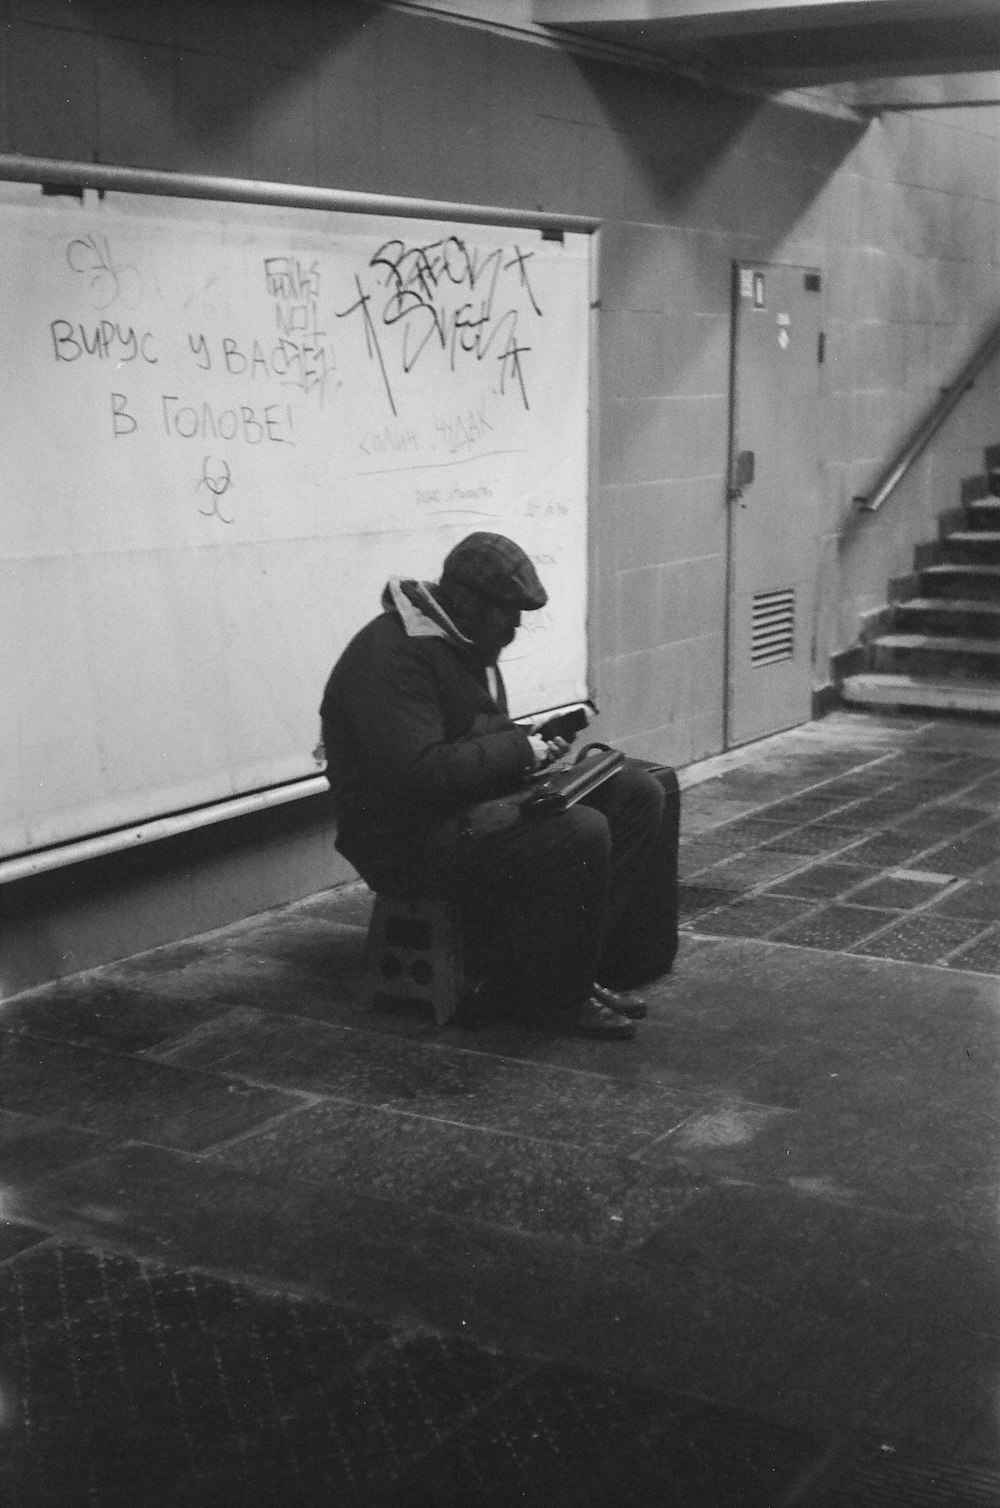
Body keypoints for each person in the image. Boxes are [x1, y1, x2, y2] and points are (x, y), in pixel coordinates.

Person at [319, 532, 679, 1040]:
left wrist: (531, 749)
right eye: (507, 612)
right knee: (579, 831)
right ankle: (551, 999)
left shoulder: (463, 642)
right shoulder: (392, 656)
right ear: (465, 602)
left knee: (637, 793)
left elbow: (472, 739)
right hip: (405, 841)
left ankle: (566, 971)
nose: (515, 626)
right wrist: (519, 752)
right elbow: (420, 775)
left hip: (461, 815)